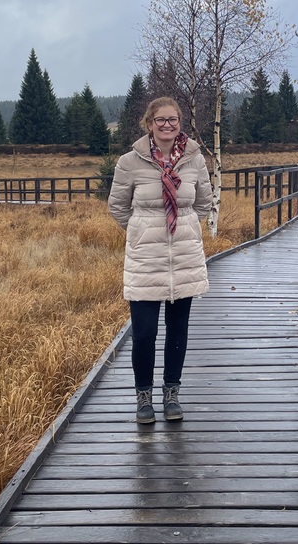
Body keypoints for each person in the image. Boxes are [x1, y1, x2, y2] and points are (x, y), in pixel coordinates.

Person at [108, 96, 212, 423]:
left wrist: (184, 227)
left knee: (178, 329)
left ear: (181, 123)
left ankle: (171, 394)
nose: (167, 125)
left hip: (184, 256)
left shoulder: (195, 160)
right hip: (145, 259)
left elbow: (205, 204)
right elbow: (118, 207)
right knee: (144, 332)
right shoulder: (130, 162)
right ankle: (143, 398)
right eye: (160, 120)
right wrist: (142, 230)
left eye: (173, 120)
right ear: (149, 124)